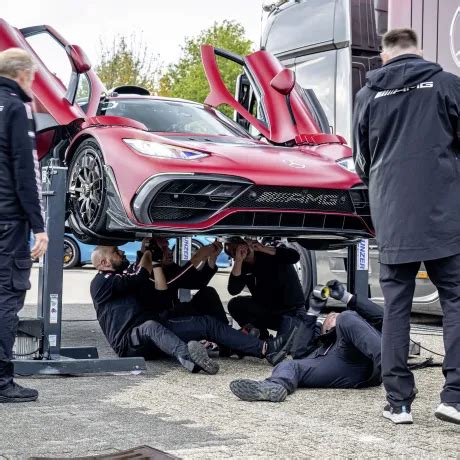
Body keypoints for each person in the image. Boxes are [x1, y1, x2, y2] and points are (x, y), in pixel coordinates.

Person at [353, 27, 460, 425]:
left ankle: (398, 404)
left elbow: (361, 162)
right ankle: (454, 397)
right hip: (444, 216)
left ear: (384, 56)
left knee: (396, 309)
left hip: (393, 218)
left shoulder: (368, 96)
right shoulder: (447, 84)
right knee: (455, 302)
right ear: (419, 50)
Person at [90, 246, 297, 372]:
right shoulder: (101, 282)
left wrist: (155, 261)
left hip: (157, 328)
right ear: (103, 262)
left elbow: (165, 290)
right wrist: (146, 255)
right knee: (150, 326)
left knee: (206, 323)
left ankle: (264, 349)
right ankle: (190, 358)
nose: (120, 252)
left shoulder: (126, 274)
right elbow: (141, 275)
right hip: (130, 342)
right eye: (115, 252)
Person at [230, 280, 383, 404]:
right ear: (324, 331)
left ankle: (392, 371)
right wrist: (313, 312)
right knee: (287, 365)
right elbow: (299, 352)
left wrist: (347, 297)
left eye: (335, 314)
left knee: (347, 317)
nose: (333, 315)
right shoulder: (322, 346)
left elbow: (384, 318)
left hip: (370, 358)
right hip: (340, 364)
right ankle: (274, 386)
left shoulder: (357, 323)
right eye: (329, 317)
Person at [0, 49, 48, 403]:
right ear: (22, 75)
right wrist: (39, 225)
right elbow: (25, 171)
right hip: (8, 222)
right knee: (6, 298)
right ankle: (2, 383)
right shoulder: (16, 108)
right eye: (32, 77)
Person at [225, 238, 310, 357]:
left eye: (241, 245)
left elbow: (294, 256)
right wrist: (238, 261)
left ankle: (274, 341)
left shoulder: (270, 253)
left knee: (283, 347)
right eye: (235, 250)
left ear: (248, 243)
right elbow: (233, 290)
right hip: (267, 310)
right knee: (235, 304)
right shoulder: (242, 266)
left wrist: (263, 248)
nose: (241, 250)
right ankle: (261, 337)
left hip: (291, 311)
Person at [140, 238, 228, 324]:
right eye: (163, 248)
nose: (170, 251)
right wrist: (197, 257)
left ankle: (225, 330)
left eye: (168, 247)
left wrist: (212, 258)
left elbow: (197, 282)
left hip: (175, 311)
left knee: (208, 293)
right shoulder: (143, 272)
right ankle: (223, 333)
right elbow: (171, 282)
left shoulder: (170, 267)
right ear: (150, 252)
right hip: (162, 322)